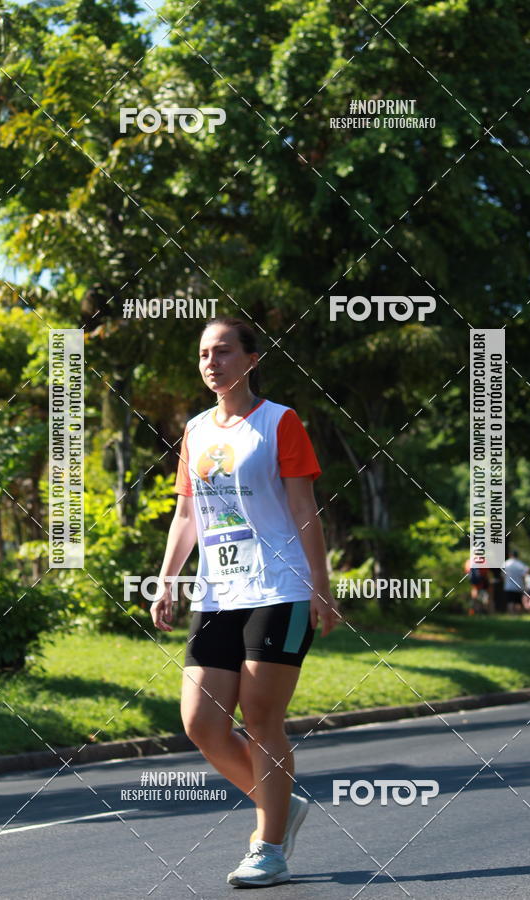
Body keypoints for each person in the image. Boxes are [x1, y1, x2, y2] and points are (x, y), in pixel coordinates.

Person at [151, 315, 340, 888]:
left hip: (279, 588)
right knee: (201, 723)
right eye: (204, 354)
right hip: (217, 593)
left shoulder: (280, 422)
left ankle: (270, 846)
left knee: (260, 718)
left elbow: (303, 508)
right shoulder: (195, 431)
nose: (212, 363)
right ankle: (281, 803)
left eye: (224, 351)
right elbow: (188, 514)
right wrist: (166, 580)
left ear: (252, 360)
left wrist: (321, 584)